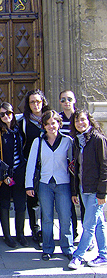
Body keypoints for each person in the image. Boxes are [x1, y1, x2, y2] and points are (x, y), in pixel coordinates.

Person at [26, 110, 74, 261]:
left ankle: (67, 247)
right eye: (47, 124)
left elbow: (73, 164)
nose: (51, 126)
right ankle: (47, 248)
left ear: (59, 124)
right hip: (45, 183)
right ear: (44, 126)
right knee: (46, 217)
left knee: (65, 217)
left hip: (63, 183)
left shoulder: (68, 141)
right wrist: (29, 185)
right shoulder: (38, 142)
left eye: (53, 123)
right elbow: (31, 164)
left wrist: (75, 187)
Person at [68, 110, 107, 269]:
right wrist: (75, 191)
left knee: (89, 224)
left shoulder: (98, 139)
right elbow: (77, 168)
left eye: (83, 120)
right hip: (84, 188)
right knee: (98, 223)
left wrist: (102, 192)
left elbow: (105, 166)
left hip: (96, 190)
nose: (80, 124)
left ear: (89, 120)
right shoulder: (78, 140)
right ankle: (104, 255)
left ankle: (78, 256)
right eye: (77, 121)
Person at [0, 102, 28, 248]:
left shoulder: (18, 130)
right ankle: (7, 235)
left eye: (9, 113)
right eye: (2, 114)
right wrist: (3, 175)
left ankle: (20, 234)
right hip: (5, 175)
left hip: (19, 172)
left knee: (20, 204)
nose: (6, 116)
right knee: (4, 204)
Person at [18, 89, 50, 246]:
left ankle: (46, 231)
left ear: (43, 102)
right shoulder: (23, 122)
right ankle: (35, 230)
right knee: (33, 201)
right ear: (28, 104)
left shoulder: (51, 119)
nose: (36, 104)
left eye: (38, 101)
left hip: (49, 166)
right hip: (31, 166)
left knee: (47, 200)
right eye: (32, 102)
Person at [58, 90, 80, 241]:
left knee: (82, 201)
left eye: (69, 99)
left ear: (75, 100)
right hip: (63, 167)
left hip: (80, 165)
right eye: (63, 99)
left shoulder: (80, 118)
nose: (66, 102)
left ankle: (84, 234)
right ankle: (71, 232)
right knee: (69, 201)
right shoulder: (57, 118)